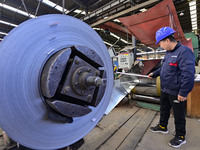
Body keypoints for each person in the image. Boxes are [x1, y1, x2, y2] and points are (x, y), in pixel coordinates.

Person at [148, 27, 195, 148]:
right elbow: (164, 68)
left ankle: (180, 136)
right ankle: (162, 127)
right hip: (165, 89)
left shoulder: (184, 52)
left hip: (176, 91)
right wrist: (154, 74)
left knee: (178, 114)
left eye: (161, 43)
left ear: (167, 40)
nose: (160, 46)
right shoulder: (168, 53)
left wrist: (183, 92)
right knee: (164, 109)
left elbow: (188, 75)